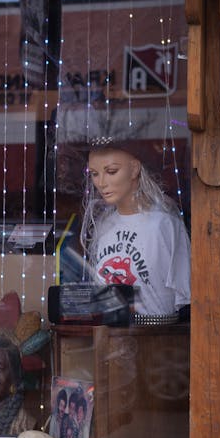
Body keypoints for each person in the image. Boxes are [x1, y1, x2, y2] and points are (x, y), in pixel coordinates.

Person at [80, 137, 191, 324]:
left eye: (111, 171)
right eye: (94, 174)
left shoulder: (163, 224)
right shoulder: (103, 226)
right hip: (109, 333)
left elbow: (185, 293)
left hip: (157, 335)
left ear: (134, 169)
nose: (101, 182)